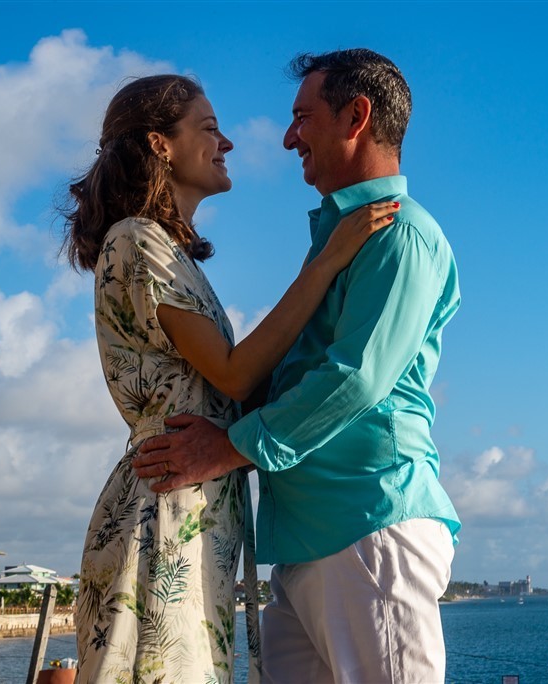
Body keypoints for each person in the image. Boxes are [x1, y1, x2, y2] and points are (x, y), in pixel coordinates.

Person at [135, 49, 461, 684]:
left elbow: (357, 379)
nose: (288, 139)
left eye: (302, 117)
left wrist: (226, 449)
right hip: (312, 543)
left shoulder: (401, 236)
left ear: (357, 117)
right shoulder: (341, 241)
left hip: (370, 528)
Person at [63, 74, 396, 684]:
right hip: (164, 506)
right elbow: (236, 374)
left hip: (191, 499)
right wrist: (327, 263)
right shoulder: (137, 241)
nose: (229, 143)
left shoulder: (169, 250)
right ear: (161, 144)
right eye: (209, 127)